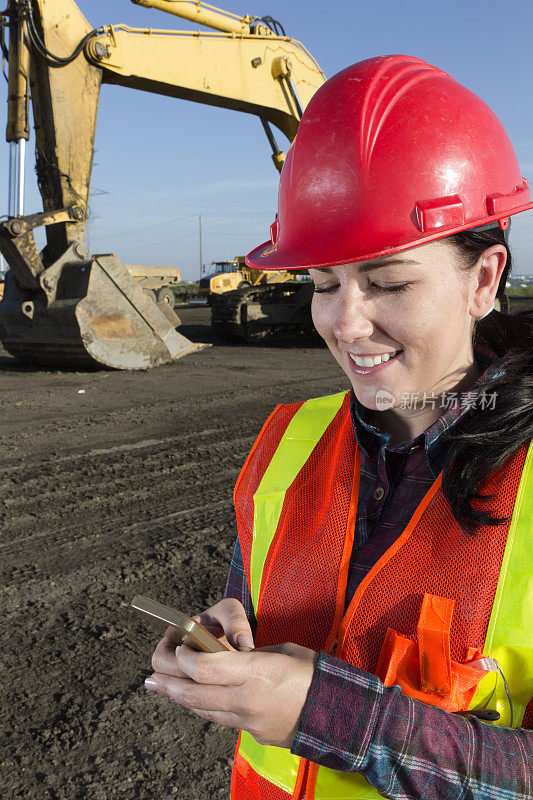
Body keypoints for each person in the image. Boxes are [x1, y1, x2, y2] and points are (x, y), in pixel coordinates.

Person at [144, 55, 533, 799]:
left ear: (483, 278)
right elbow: (250, 598)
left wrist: (332, 717)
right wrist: (226, 632)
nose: (342, 322)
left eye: (387, 282)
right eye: (322, 282)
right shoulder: (287, 444)